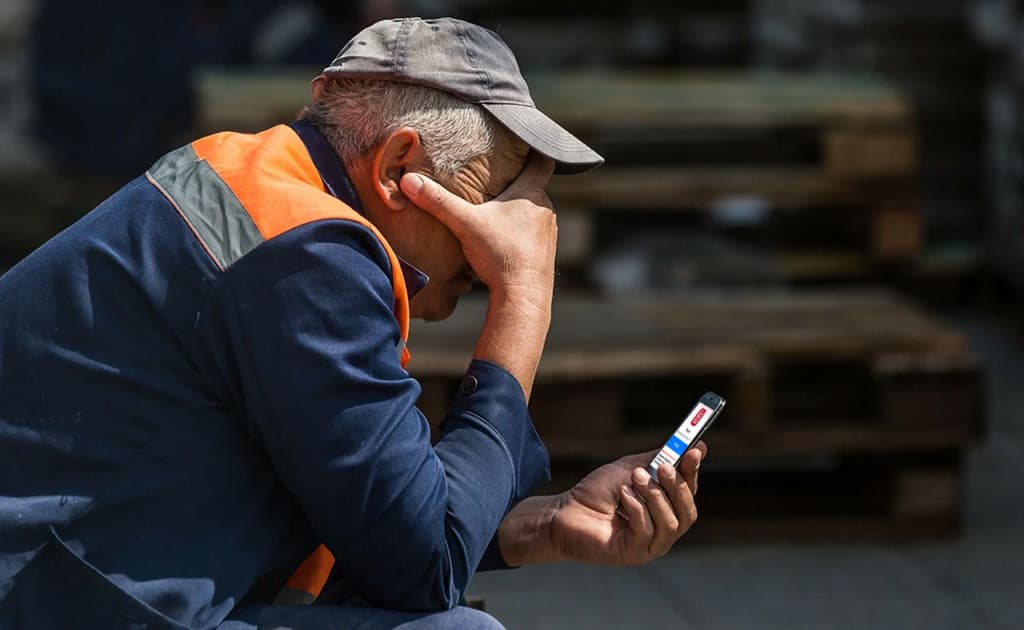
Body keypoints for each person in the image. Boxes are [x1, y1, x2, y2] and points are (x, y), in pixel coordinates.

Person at [0, 17, 706, 630]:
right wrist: (524, 298)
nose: (513, 232)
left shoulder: (257, 187)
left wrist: (545, 524)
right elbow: (422, 564)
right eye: (497, 197)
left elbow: (368, 511)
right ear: (401, 165)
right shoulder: (308, 253)